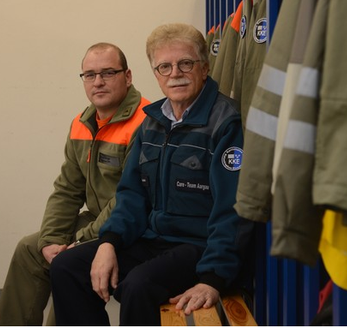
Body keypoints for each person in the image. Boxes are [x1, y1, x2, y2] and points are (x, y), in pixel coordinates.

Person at [49, 23, 254, 326]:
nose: (175, 73)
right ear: (156, 74)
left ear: (204, 68)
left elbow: (233, 211)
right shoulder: (152, 122)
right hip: (153, 239)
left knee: (137, 285)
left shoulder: (225, 123)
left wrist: (213, 278)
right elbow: (131, 195)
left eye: (185, 63)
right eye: (164, 66)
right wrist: (109, 242)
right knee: (67, 266)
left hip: (199, 245)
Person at [0, 42, 149, 326]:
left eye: (108, 73)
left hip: (135, 225)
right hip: (96, 218)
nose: (97, 82)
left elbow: (128, 198)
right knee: (30, 249)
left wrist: (80, 241)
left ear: (127, 77)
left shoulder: (145, 122)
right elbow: (67, 189)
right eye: (89, 75)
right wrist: (52, 239)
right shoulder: (82, 122)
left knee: (69, 263)